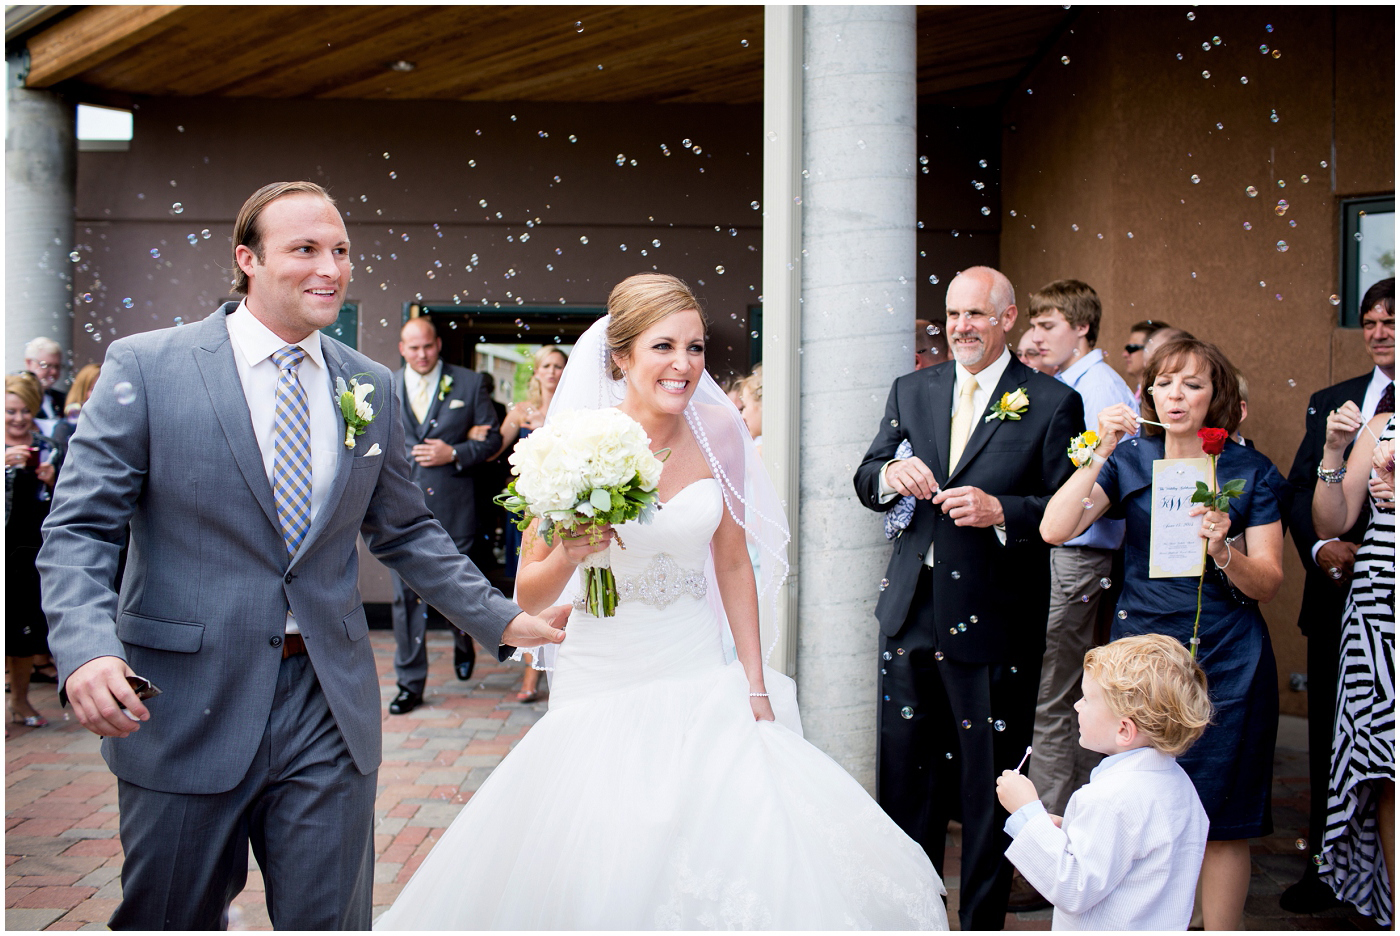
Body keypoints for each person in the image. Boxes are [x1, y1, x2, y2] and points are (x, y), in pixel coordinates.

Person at [37, 180, 569, 930]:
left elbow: (405, 530)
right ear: (246, 259)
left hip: (328, 699)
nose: (332, 267)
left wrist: (504, 619)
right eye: (306, 249)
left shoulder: (368, 384)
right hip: (185, 698)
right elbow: (81, 529)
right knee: (169, 918)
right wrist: (88, 650)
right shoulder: (148, 367)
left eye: (342, 250)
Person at [376, 273, 949, 930]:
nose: (683, 365)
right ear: (621, 356)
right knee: (605, 847)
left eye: (696, 348)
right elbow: (528, 591)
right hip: (602, 669)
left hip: (696, 666)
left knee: (725, 838)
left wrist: (755, 682)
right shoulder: (573, 443)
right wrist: (571, 550)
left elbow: (732, 561)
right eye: (663, 347)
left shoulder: (720, 433)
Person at [853, 266, 1084, 930]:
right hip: (910, 612)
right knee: (905, 777)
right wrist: (891, 474)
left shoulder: (1050, 401)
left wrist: (1001, 508)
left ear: (1008, 317)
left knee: (990, 786)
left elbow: (1067, 509)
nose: (961, 328)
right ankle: (912, 915)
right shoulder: (913, 388)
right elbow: (867, 475)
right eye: (953, 315)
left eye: (976, 315)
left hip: (995, 622)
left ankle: (982, 921)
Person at [1040, 336, 1286, 930]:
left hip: (1227, 651)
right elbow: (1055, 527)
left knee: (1221, 814)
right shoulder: (1130, 459)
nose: (1176, 395)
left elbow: (1269, 581)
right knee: (1136, 796)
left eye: (1193, 384)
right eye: (1165, 382)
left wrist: (1223, 549)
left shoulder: (1250, 471)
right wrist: (1101, 448)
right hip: (1142, 658)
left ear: (1215, 398)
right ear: (1147, 391)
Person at [1282, 277, 1394, 913]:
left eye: (1391, 322)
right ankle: (1326, 869)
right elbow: (1304, 492)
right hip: (1354, 604)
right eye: (1370, 322)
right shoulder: (1337, 402)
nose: (1379, 333)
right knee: (1343, 740)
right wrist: (1324, 549)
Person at [996, 634, 1211, 930]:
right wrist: (1069, 826)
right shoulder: (1178, 784)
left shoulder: (1110, 798)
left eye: (1087, 699)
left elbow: (1072, 886)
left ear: (1124, 730)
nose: (1077, 707)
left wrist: (1027, 812)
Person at [1025, 279, 1138, 822]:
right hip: (1061, 551)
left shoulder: (1098, 389)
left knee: (1057, 692)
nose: (1034, 335)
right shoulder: (1070, 381)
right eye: (1033, 324)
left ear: (1082, 328)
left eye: (1047, 325)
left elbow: (1098, 483)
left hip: (1080, 555)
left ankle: (1049, 829)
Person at [387, 317, 503, 714]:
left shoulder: (470, 383)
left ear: (438, 345)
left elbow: (491, 438)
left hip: (456, 506)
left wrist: (453, 452)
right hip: (400, 509)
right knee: (406, 598)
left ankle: (462, 636)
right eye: (413, 348)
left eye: (428, 347)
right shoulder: (383, 384)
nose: (421, 355)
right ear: (402, 349)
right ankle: (410, 683)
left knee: (460, 587)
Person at [1311, 396, 1394, 927]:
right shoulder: (1387, 422)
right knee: (1384, 763)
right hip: (1380, 608)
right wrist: (1334, 450)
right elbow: (1333, 518)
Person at [487, 344, 568, 703]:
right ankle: (530, 669)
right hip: (530, 507)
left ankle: (548, 664)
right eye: (546, 365)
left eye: (558, 366)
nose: (552, 371)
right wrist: (472, 436)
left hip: (564, 506)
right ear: (536, 372)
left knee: (556, 582)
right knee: (531, 582)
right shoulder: (522, 412)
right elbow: (494, 448)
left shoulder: (575, 410)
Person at [7, 374, 63, 728]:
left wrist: (51, 479)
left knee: (24, 628)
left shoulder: (47, 447)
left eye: (25, 411)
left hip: (29, 547)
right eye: (11, 411)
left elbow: (64, 504)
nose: (18, 418)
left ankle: (21, 701)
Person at [23, 336, 67, 435]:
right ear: (29, 363)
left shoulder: (63, 398)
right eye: (47, 365)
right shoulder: (16, 398)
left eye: (57, 366)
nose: (53, 372)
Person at [1120, 319, 1168, 400]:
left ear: (1154, 350)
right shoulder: (1141, 393)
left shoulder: (1161, 397)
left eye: (1131, 348)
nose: (1124, 354)